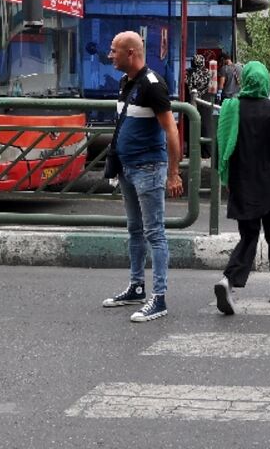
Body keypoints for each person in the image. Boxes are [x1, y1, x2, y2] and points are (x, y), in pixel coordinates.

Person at [101, 31, 185, 323]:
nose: (110, 55)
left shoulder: (152, 85)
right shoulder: (127, 81)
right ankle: (137, 287)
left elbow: (171, 130)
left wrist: (174, 173)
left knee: (154, 233)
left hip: (148, 168)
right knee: (135, 230)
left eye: (114, 51)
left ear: (131, 54)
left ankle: (159, 298)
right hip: (127, 167)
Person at [213, 61, 270, 314]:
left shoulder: (231, 107)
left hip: (242, 184)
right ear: (265, 82)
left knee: (248, 236)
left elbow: (221, 146)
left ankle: (228, 281)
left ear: (244, 81)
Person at [185, 54, 214, 158]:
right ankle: (206, 152)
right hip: (205, 102)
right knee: (206, 127)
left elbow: (187, 85)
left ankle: (192, 151)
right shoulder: (208, 73)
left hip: (192, 102)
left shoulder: (189, 73)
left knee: (192, 125)